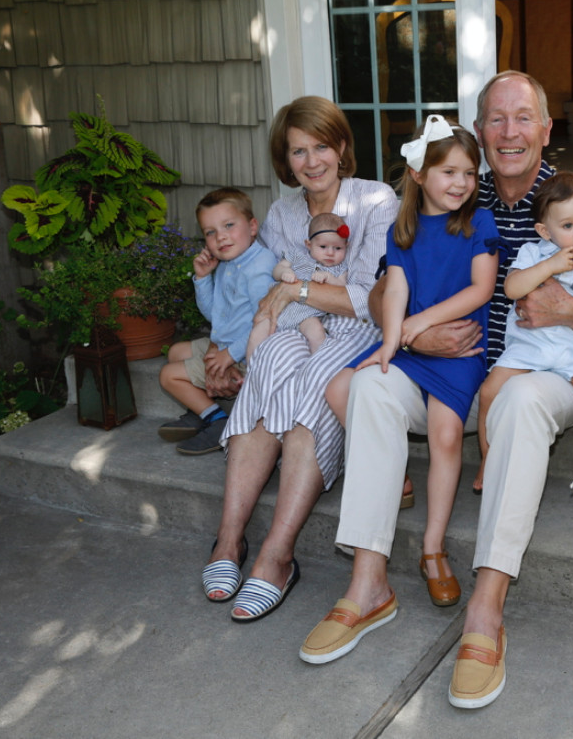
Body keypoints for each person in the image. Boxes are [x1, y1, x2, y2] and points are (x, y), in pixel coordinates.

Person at [296, 72, 573, 709]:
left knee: (517, 401)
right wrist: (414, 336)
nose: (509, 132)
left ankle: (487, 606)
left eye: (523, 119)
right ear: (481, 132)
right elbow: (382, 287)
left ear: (545, 128)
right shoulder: (455, 187)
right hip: (447, 371)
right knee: (370, 388)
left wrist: (569, 311)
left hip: (546, 371)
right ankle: (368, 584)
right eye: (496, 119)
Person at [198, 96, 398, 623]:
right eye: (297, 152)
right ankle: (229, 539)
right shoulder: (283, 214)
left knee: (314, 377)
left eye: (320, 147)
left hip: (362, 329)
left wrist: (297, 292)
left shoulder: (376, 200)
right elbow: (266, 292)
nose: (311, 162)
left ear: (342, 147)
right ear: (285, 161)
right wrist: (233, 343)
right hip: (300, 322)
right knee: (268, 365)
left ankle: (277, 555)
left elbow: (366, 298)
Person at [303, 118, 496, 663]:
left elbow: (481, 288)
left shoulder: (478, 223)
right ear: (418, 173)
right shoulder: (402, 232)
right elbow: (396, 291)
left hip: (459, 353)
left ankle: (432, 548)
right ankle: (371, 577)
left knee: (446, 429)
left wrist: (417, 326)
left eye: (468, 172)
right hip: (413, 347)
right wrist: (393, 340)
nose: (460, 182)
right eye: (448, 171)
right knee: (355, 384)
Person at [474, 172, 573, 501]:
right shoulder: (535, 252)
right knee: (488, 393)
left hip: (569, 353)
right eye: (568, 225)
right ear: (546, 231)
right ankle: (488, 458)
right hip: (527, 348)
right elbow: (511, 288)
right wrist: (551, 265)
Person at [156, 188, 277, 456]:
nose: (220, 236)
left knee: (168, 376)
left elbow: (267, 323)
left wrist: (229, 355)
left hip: (246, 355)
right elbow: (215, 315)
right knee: (176, 352)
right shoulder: (228, 264)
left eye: (229, 225)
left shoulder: (259, 268)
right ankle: (201, 408)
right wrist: (202, 278)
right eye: (210, 232)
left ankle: (217, 421)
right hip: (225, 343)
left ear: (253, 226)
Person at [247, 212, 350, 359]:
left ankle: (316, 367)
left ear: (346, 246)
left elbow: (342, 288)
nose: (330, 253)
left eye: (338, 248)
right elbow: (276, 270)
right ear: (309, 244)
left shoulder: (339, 268)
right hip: (280, 309)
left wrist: (329, 278)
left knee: (317, 334)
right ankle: (251, 369)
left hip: (308, 315)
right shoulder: (296, 255)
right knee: (256, 334)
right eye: (323, 246)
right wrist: (284, 272)